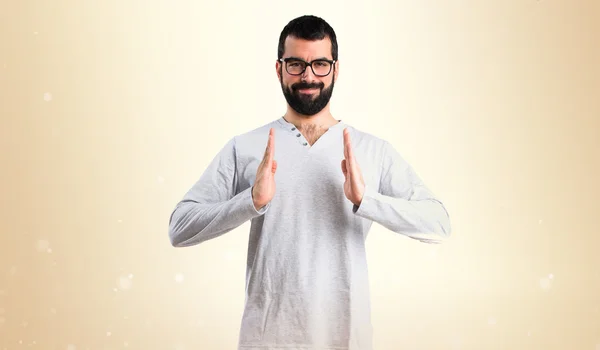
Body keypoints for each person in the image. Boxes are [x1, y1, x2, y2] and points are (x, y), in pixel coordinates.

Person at [168, 14, 451, 350]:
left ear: (335, 68)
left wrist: (367, 201)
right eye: (296, 64)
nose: (308, 76)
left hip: (345, 339)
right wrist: (250, 202)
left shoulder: (371, 150)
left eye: (320, 64)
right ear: (278, 68)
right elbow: (179, 228)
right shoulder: (244, 146)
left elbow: (438, 224)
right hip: (266, 340)